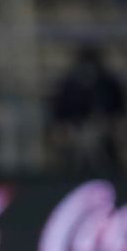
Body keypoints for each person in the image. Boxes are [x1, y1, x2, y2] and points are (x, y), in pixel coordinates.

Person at [46, 46, 125, 175]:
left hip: (103, 128)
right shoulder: (68, 84)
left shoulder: (108, 83)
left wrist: (110, 125)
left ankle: (108, 174)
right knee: (81, 141)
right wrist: (67, 128)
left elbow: (118, 110)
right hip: (74, 129)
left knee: (94, 140)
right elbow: (58, 113)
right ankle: (73, 174)